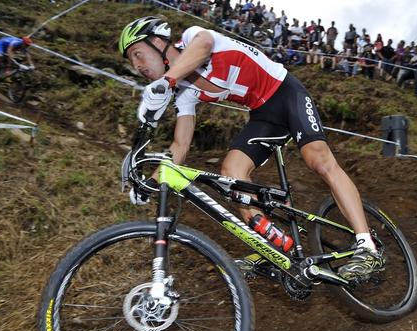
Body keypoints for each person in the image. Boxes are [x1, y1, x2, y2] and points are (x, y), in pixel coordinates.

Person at [118, 16, 384, 279]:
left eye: (138, 54)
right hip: (263, 115)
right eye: (132, 60)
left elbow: (204, 46)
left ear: (158, 42)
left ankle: (367, 246)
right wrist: (152, 182)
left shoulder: (193, 38)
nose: (137, 65)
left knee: (319, 160)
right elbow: (180, 145)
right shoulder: (184, 92)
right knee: (232, 172)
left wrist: (167, 81)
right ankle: (273, 247)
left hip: (286, 92)